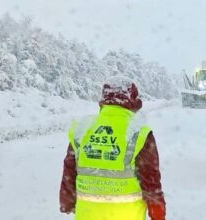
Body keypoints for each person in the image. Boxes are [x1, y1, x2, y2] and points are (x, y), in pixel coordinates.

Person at [59, 79, 166, 220]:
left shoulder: (84, 129)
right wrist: (157, 213)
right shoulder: (138, 132)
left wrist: (67, 203)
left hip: (88, 214)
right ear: (133, 102)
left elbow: (70, 170)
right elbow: (150, 179)